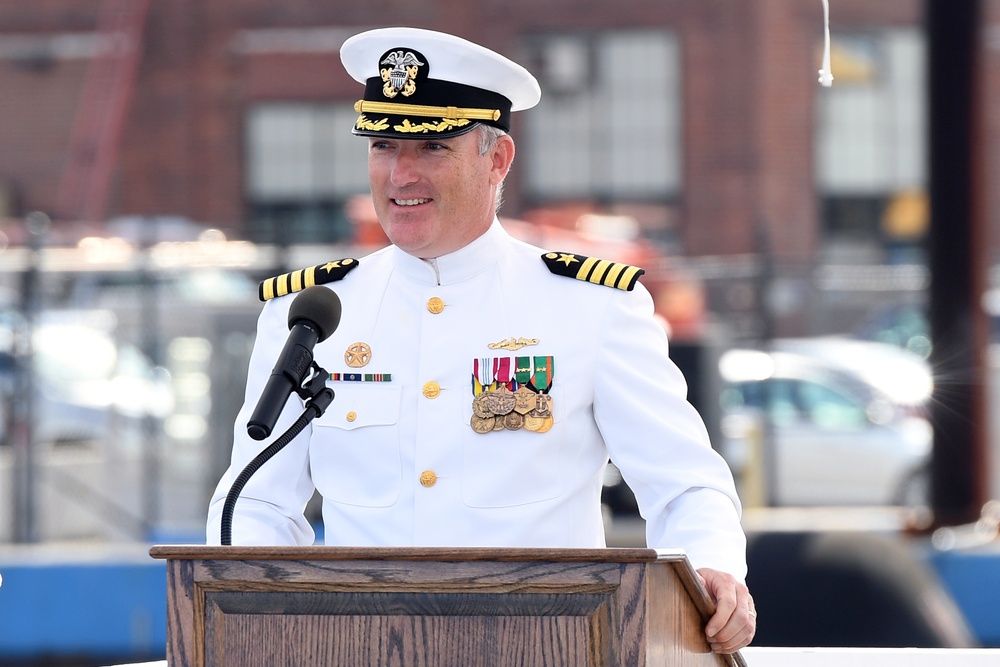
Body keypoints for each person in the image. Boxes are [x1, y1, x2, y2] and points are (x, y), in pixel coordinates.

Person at [207, 26, 756, 653]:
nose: (400, 173)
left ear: (497, 160)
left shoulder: (589, 306)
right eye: (384, 146)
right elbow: (256, 501)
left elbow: (684, 482)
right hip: (359, 647)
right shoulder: (312, 313)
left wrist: (715, 568)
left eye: (432, 147)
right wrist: (250, 618)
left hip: (549, 648)